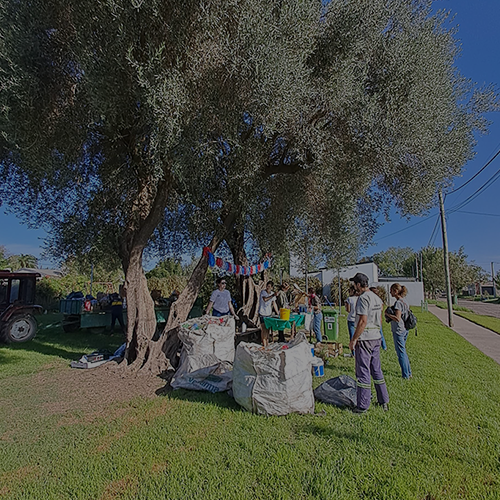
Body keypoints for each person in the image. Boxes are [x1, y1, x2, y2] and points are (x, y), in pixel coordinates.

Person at [348, 273, 389, 413]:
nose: (354, 287)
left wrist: (354, 339)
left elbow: (362, 321)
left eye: (355, 284)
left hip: (365, 339)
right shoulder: (377, 298)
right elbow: (380, 319)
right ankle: (383, 400)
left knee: (363, 371)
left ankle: (363, 405)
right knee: (376, 369)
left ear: (359, 285)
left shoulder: (363, 299)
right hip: (376, 337)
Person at [385, 283, 412, 379]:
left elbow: (397, 318)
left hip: (398, 330)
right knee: (403, 351)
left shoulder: (398, 303)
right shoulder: (405, 302)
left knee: (401, 353)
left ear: (396, 291)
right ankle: (409, 372)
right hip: (405, 329)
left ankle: (405, 375)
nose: (390, 292)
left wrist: (387, 315)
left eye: (391, 291)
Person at [259, 281, 279, 347]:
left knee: (268, 330)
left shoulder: (272, 294)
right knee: (263, 329)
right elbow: (265, 299)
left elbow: (274, 303)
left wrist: (278, 312)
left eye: (269, 286)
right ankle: (264, 344)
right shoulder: (263, 292)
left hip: (268, 313)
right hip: (262, 313)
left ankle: (267, 343)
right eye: (267, 286)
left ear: (272, 288)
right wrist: (273, 295)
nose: (268, 287)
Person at [369, 287, 387, 351]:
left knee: (380, 333)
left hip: (376, 319)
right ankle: (383, 346)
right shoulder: (379, 300)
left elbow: (381, 309)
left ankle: (383, 346)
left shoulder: (376, 300)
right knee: (380, 333)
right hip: (377, 319)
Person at [344, 285, 358, 356]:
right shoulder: (359, 298)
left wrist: (346, 306)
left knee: (352, 335)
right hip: (357, 319)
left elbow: (348, 310)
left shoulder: (349, 299)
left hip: (351, 319)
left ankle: (353, 352)